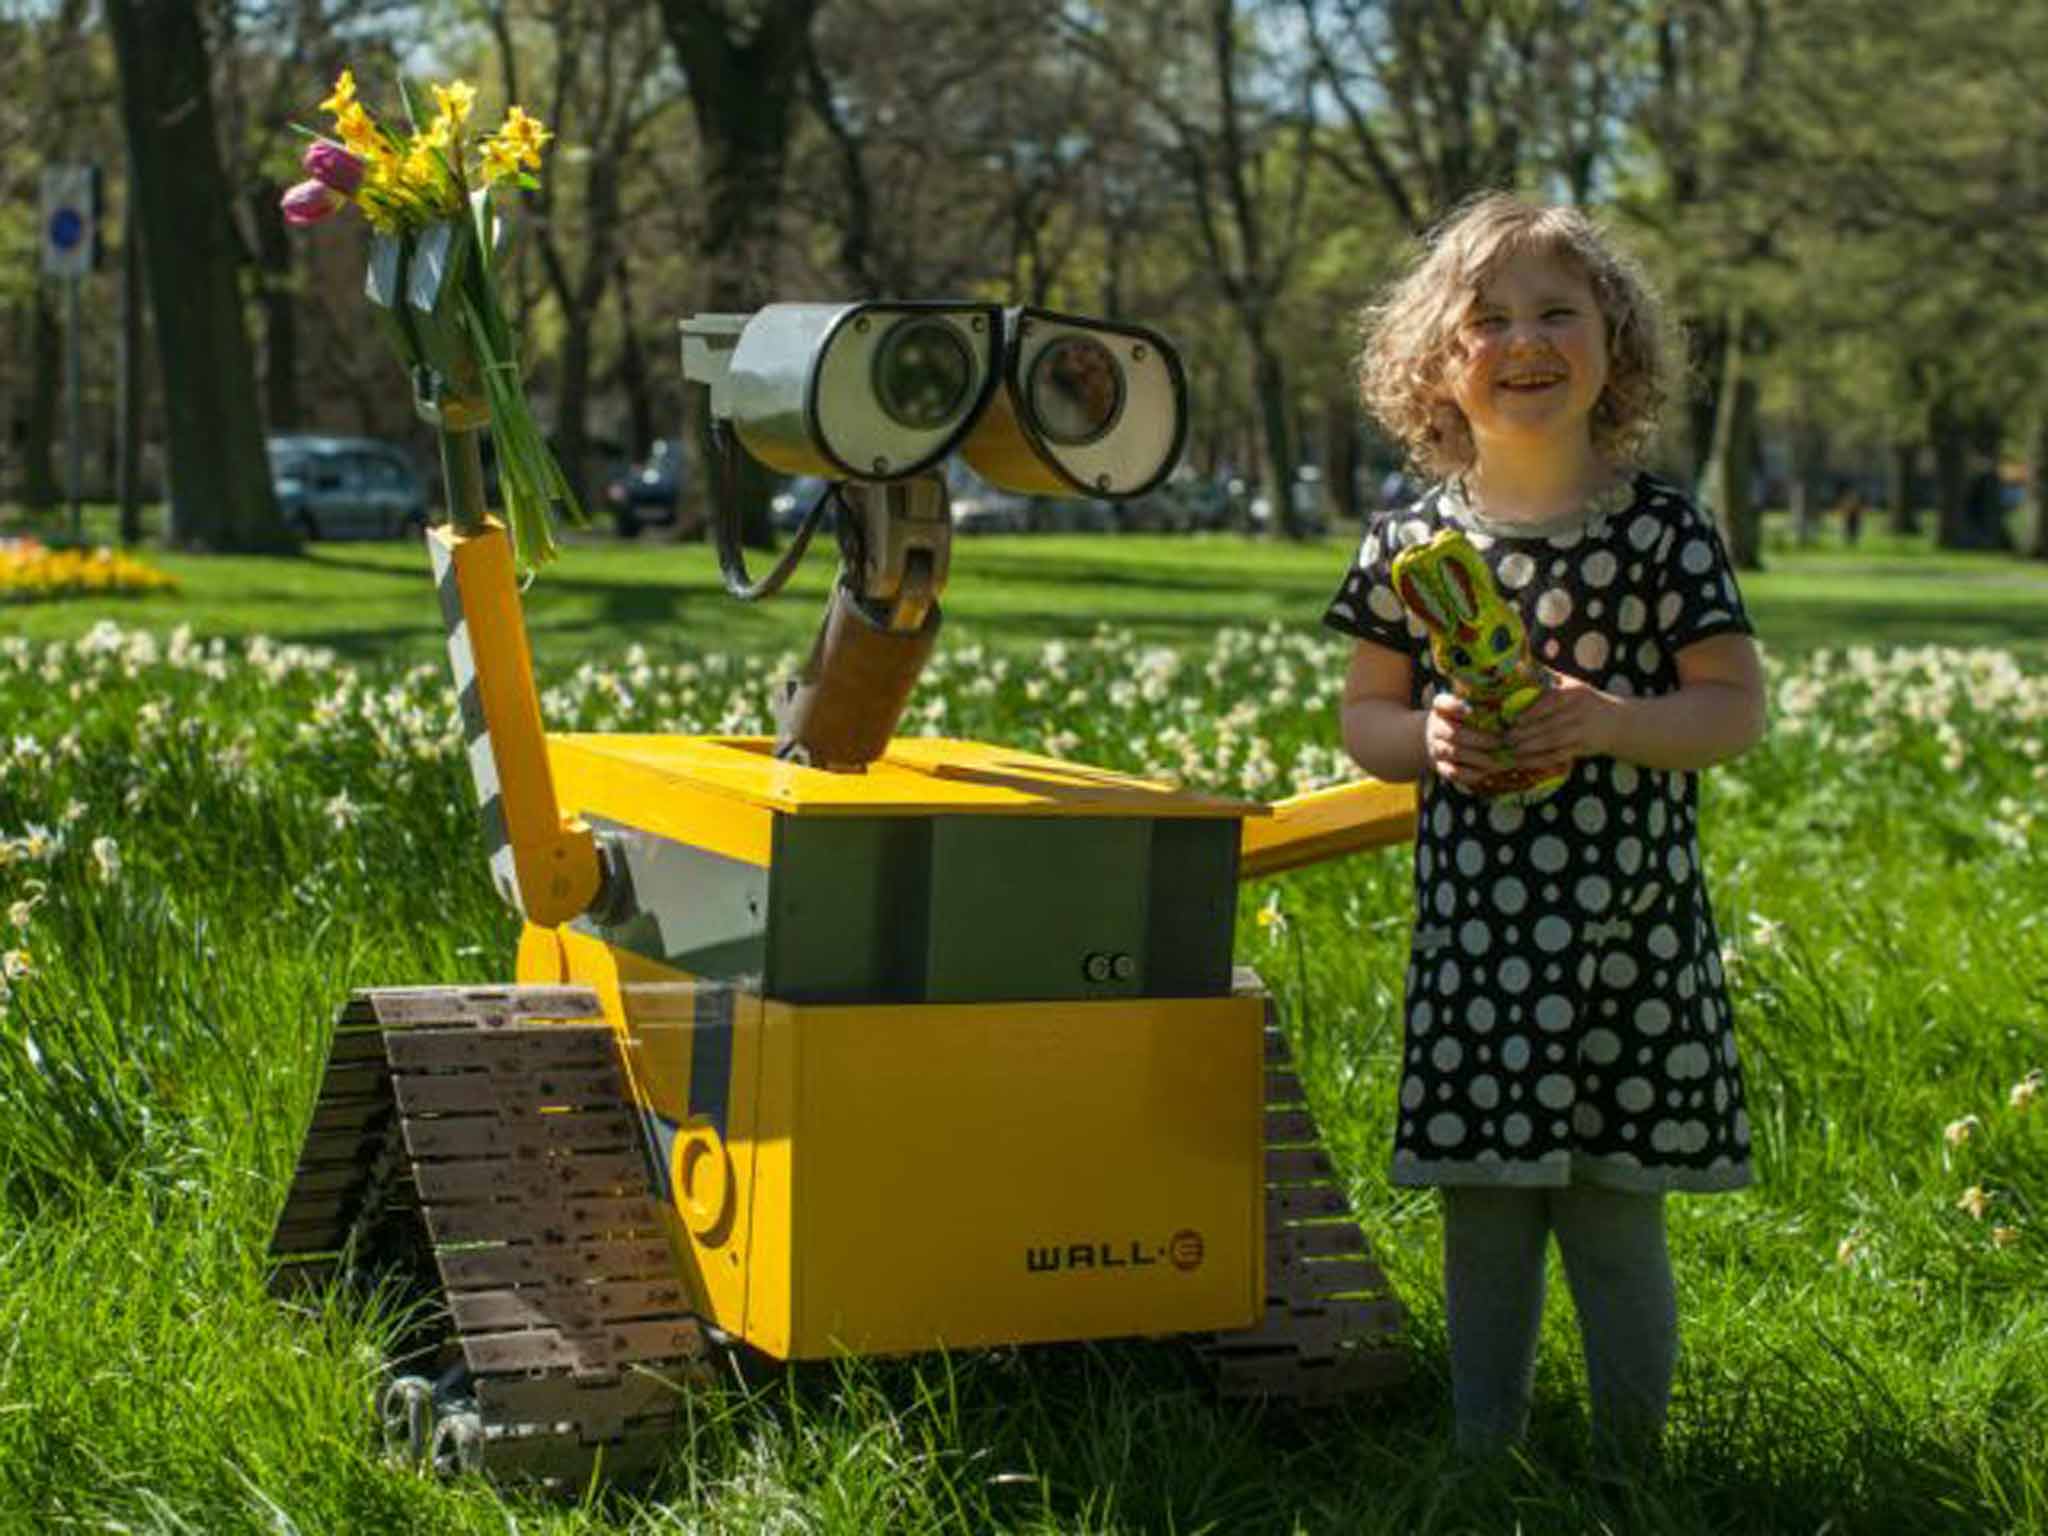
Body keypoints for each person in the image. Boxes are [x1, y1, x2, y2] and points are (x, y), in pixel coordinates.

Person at [1322, 194, 1767, 1468]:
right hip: (1478, 946)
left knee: (1611, 1211)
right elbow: (1367, 720)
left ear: (1611, 349)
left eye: (1556, 312)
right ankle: (1481, 1453)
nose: (1523, 340)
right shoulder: (1407, 544)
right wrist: (1433, 744)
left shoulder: (1660, 535)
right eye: (1488, 319)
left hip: (1627, 939)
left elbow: (1731, 709)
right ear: (1434, 364)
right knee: (1484, 1212)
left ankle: (1635, 1464)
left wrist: (1609, 720)